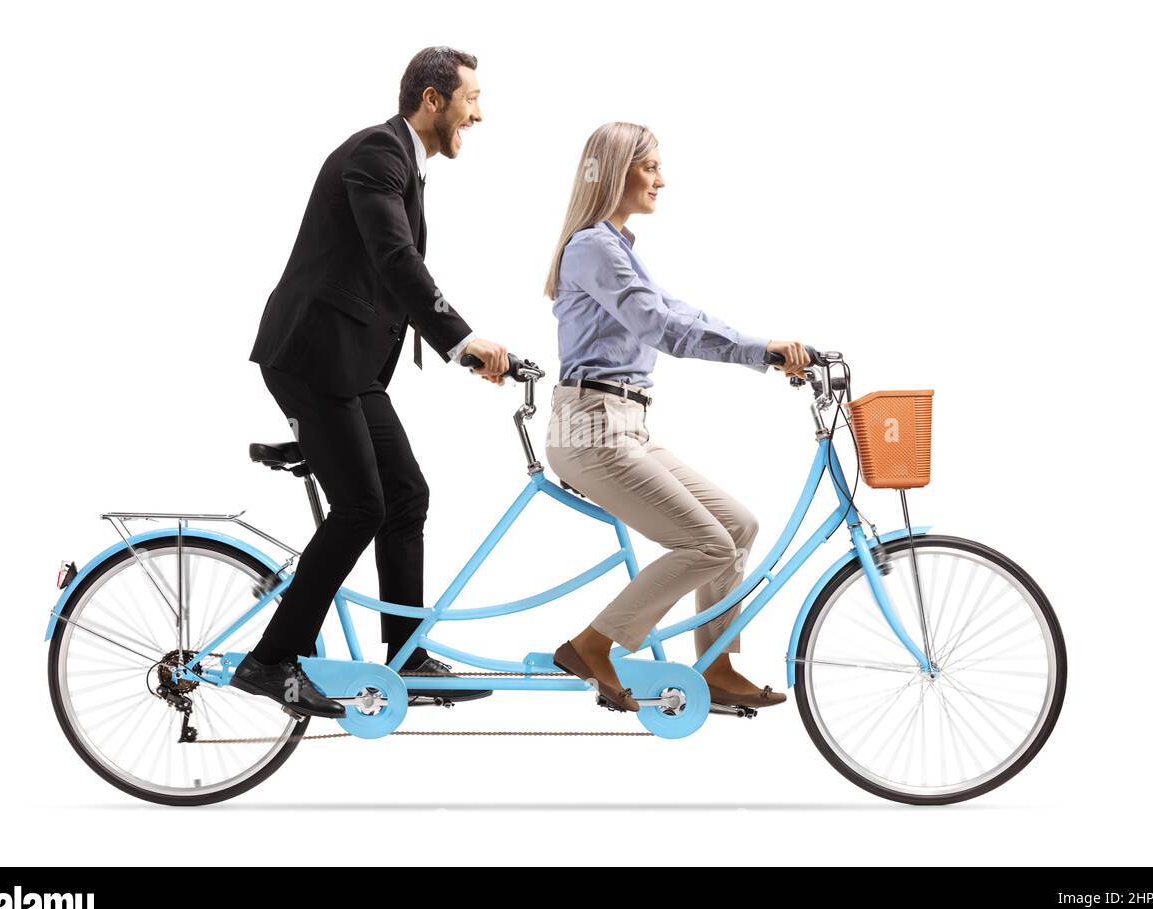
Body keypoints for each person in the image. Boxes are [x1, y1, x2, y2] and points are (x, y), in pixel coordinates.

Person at [234, 47, 510, 718]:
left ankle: (406, 655)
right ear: (433, 100)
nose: (482, 111)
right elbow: (394, 257)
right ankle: (271, 659)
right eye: (472, 98)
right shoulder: (376, 156)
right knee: (360, 506)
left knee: (406, 493)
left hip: (350, 367)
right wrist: (461, 339)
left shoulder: (404, 166)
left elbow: (390, 263)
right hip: (311, 357)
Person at [542, 122, 812, 712]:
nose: (662, 179)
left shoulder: (616, 248)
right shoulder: (593, 247)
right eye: (651, 167)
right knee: (708, 544)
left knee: (736, 528)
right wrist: (758, 351)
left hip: (622, 425)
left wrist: (761, 344)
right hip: (591, 427)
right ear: (617, 171)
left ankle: (715, 665)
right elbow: (661, 328)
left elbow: (675, 310)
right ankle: (591, 645)